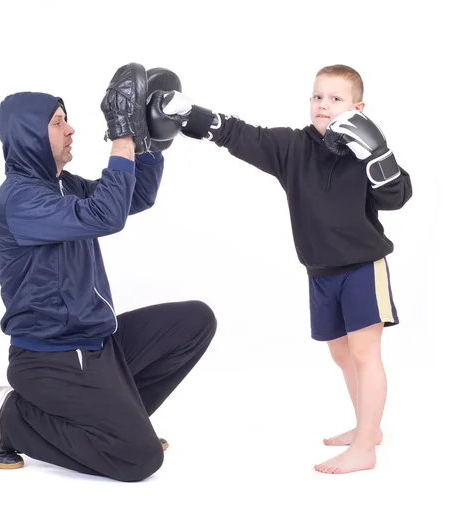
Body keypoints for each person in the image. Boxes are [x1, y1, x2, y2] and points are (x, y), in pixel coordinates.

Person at [145, 64, 413, 474]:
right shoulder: (293, 148)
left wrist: (379, 152)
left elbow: (397, 198)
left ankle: (365, 447)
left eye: (336, 99)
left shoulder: (365, 154)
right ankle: (367, 428)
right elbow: (239, 134)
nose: (324, 105)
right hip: (320, 271)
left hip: (362, 266)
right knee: (342, 355)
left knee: (365, 353)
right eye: (317, 96)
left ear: (358, 108)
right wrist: (188, 111)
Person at [0, 62, 217, 482]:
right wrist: (121, 134)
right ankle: (12, 419)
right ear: (31, 137)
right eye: (58, 123)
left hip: (96, 345)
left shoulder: (64, 186)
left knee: (196, 321)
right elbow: (107, 216)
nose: (71, 129)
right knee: (140, 460)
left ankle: (119, 425)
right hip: (49, 358)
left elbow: (135, 198)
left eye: (67, 119)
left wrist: (148, 143)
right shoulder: (17, 201)